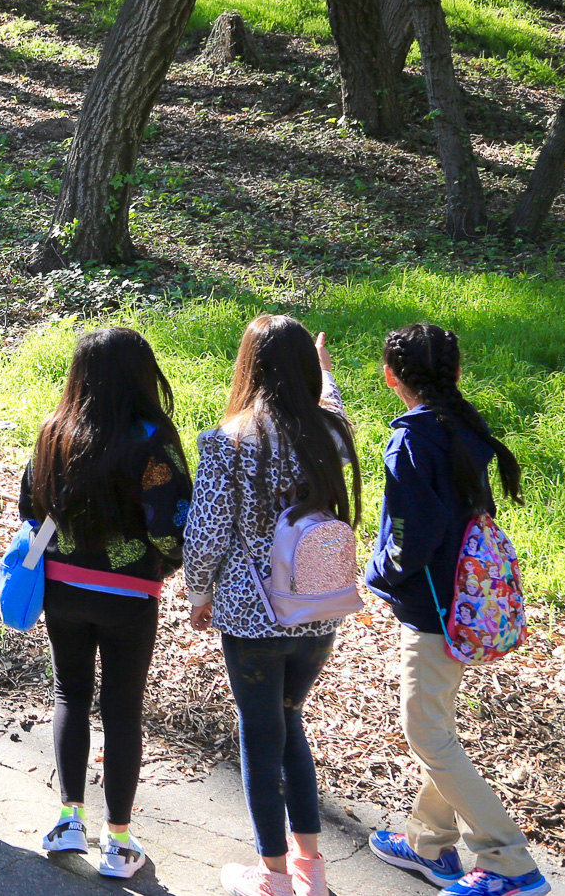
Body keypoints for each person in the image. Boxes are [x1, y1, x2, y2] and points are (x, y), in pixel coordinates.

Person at [364, 324, 550, 896]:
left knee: (426, 734)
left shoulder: (413, 440)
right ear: (456, 374)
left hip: (433, 612)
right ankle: (429, 843)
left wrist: (382, 575)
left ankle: (508, 861)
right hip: (469, 602)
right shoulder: (465, 426)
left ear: (393, 377)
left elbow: (410, 536)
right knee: (437, 725)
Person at [185, 315, 359, 896]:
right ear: (306, 372)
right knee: (290, 721)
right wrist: (327, 375)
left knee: (260, 735)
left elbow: (206, 532)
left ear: (248, 368)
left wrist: (199, 592)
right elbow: (331, 405)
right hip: (318, 609)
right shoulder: (332, 434)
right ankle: (312, 871)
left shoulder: (227, 441)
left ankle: (274, 879)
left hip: (251, 615)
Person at [20, 328, 191, 880]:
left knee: (69, 693)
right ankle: (118, 842)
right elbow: (171, 525)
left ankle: (69, 818)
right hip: (130, 595)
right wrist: (165, 563)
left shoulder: (54, 431)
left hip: (63, 591)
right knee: (122, 710)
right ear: (142, 374)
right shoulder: (152, 438)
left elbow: (30, 508)